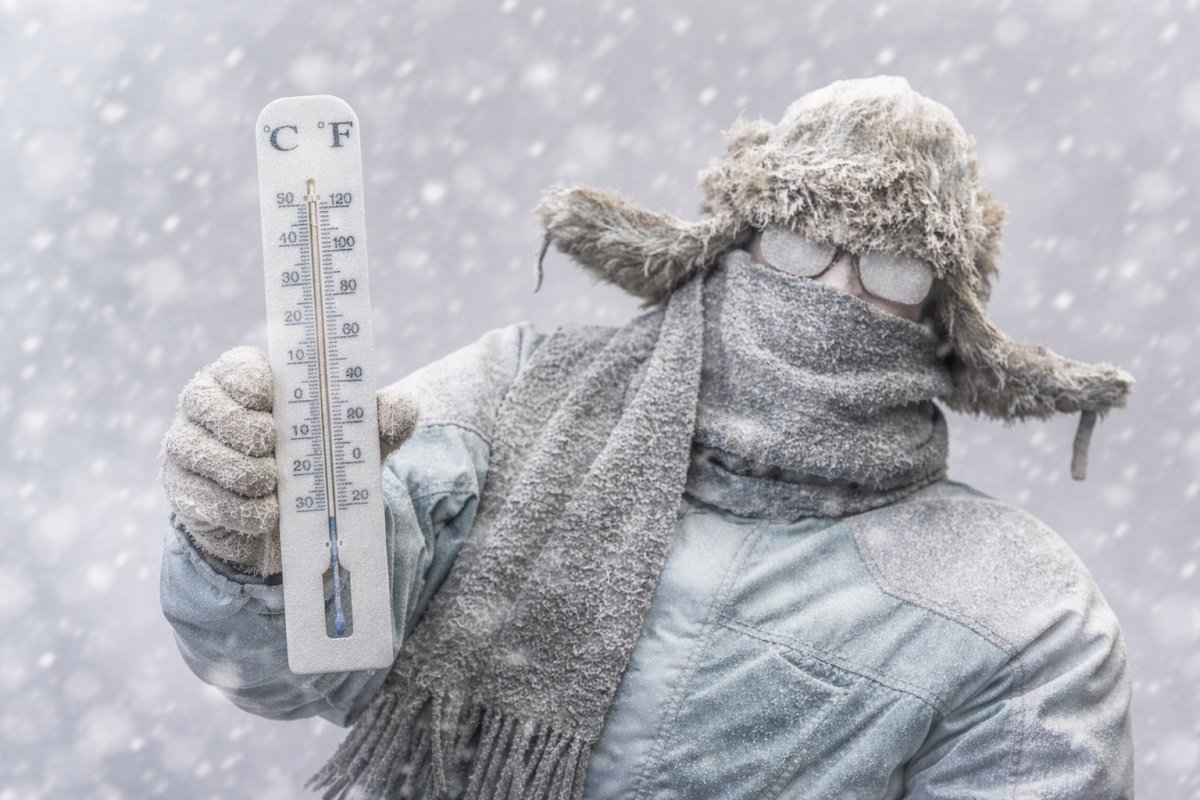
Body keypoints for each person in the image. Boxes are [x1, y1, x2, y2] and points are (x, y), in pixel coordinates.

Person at [159, 76, 1135, 799]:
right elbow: (299, 663)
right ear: (736, 240)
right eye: (801, 242)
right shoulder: (515, 393)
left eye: (892, 269)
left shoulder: (1016, 603)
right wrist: (255, 547)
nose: (837, 290)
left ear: (940, 312)